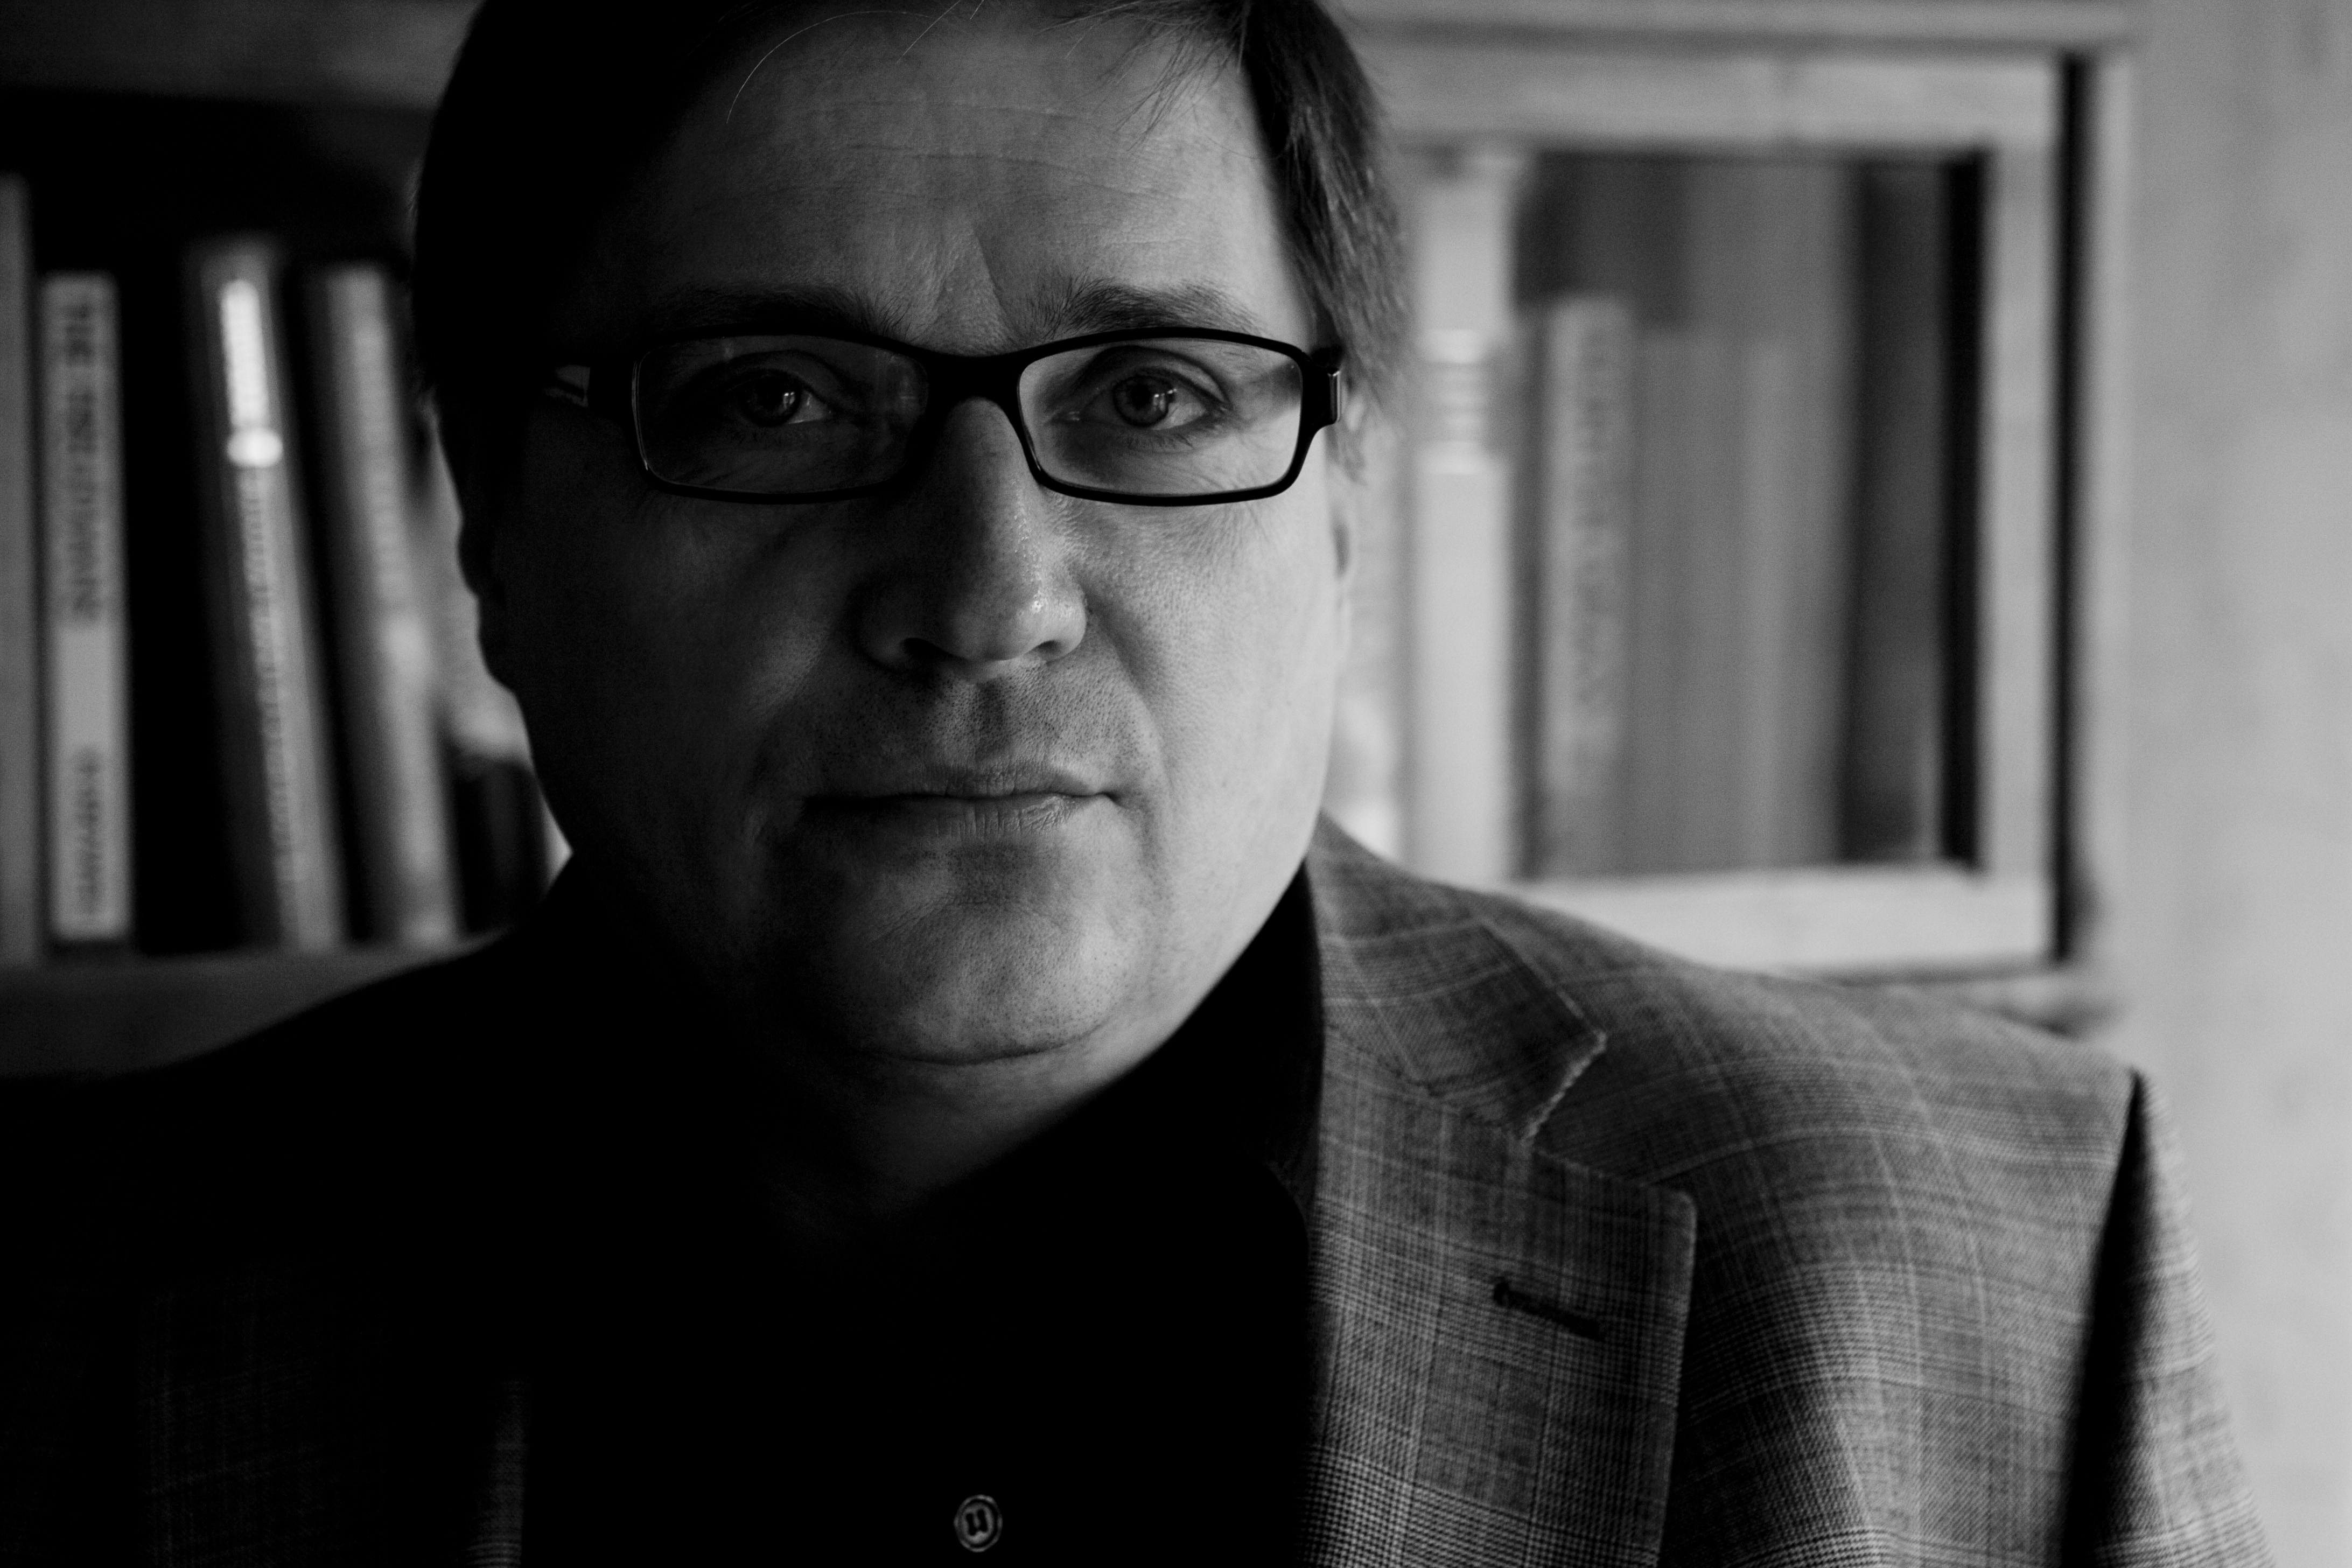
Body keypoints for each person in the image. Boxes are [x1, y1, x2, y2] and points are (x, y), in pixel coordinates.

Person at [1, 1, 2271, 1563]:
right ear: (490, 527)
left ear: (1348, 503)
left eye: (1157, 393)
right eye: (774, 397)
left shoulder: (1998, 1276)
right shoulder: (72, 1321)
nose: (987, 596)